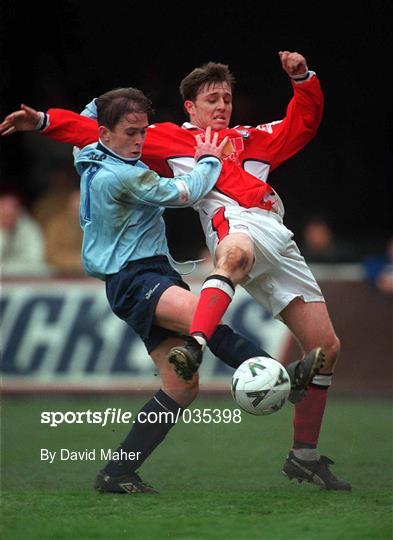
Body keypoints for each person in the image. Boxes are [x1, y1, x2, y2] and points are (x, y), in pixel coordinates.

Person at [0, 50, 349, 491]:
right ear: (190, 109)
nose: (221, 106)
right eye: (210, 99)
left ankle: (120, 471)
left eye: (226, 98)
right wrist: (49, 122)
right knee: (223, 277)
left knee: (196, 383)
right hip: (175, 259)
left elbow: (302, 123)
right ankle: (266, 369)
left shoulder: (253, 138)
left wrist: (302, 79)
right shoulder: (160, 143)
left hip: (243, 245)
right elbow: (100, 135)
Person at [0, 193, 48, 276]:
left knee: (45, 269)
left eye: (11, 214)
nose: (8, 218)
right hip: (3, 270)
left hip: (25, 271)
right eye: (4, 215)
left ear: (18, 212)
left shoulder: (29, 228)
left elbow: (36, 256)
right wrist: (4, 233)